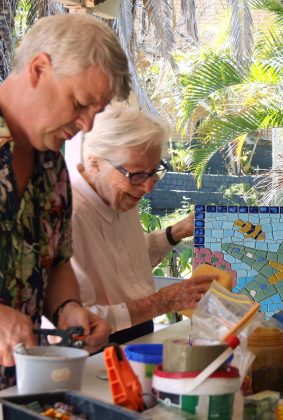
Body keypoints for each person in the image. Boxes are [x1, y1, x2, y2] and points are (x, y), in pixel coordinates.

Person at [0, 14, 131, 389]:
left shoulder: (52, 161)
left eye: (97, 112)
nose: (87, 126)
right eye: (79, 103)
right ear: (39, 69)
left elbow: (55, 262)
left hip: (18, 388)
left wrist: (68, 309)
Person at [68, 105, 215, 344]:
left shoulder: (119, 194)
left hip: (140, 336)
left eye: (154, 172)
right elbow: (77, 320)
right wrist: (162, 301)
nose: (147, 188)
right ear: (95, 164)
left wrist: (175, 232)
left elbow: (127, 262)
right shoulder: (69, 214)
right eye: (136, 175)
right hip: (95, 350)